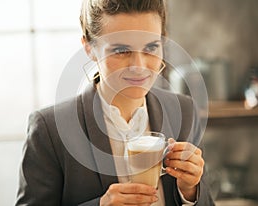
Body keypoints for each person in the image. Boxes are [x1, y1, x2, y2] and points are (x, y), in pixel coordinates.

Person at [15, 0, 215, 205]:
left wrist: (190, 191)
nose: (139, 66)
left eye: (151, 47)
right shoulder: (49, 129)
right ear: (89, 48)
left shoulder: (183, 110)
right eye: (121, 50)